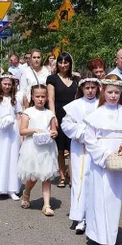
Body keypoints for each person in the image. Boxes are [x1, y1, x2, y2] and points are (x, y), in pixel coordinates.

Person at [82, 75, 122, 245]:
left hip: (119, 162)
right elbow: (90, 140)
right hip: (101, 162)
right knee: (99, 198)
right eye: (110, 92)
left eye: (116, 92)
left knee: (113, 200)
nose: (113, 96)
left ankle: (110, 237)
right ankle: (100, 235)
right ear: (103, 92)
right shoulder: (95, 115)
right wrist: (105, 155)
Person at [61, 77, 101, 234]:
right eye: (87, 88)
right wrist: (81, 133)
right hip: (80, 147)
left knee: (94, 180)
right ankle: (79, 217)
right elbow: (66, 124)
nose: (90, 90)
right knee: (80, 179)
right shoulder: (75, 106)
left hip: (97, 148)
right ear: (82, 88)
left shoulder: (101, 105)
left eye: (93, 87)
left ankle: (92, 217)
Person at [17, 85, 59, 216]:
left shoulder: (49, 114)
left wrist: (53, 134)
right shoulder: (28, 112)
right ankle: (27, 193)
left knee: (46, 176)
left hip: (47, 148)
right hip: (32, 148)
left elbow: (54, 130)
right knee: (33, 176)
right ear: (33, 97)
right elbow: (22, 130)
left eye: (43, 97)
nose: (40, 99)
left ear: (47, 98)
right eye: (37, 96)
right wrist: (34, 130)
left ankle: (46, 205)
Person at [47, 52, 79, 188]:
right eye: (60, 62)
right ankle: (62, 176)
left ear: (70, 63)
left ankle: (72, 176)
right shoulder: (52, 79)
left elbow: (78, 99)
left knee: (72, 147)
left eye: (66, 62)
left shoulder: (76, 79)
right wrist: (53, 117)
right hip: (59, 114)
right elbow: (51, 99)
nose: (63, 65)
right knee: (60, 149)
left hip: (73, 116)